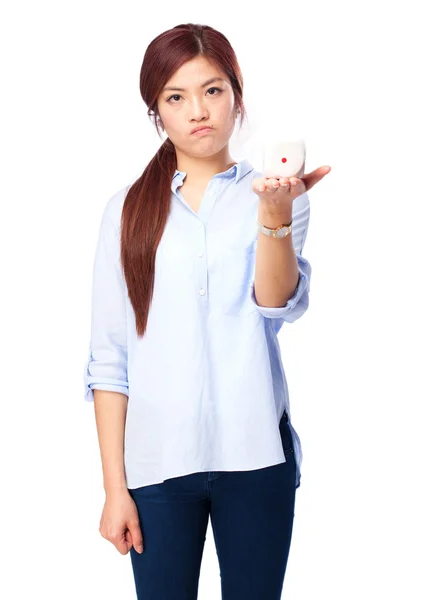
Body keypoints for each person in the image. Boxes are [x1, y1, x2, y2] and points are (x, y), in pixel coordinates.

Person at [83, 22, 331, 600]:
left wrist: (274, 214)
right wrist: (115, 488)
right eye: (176, 97)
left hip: (257, 459)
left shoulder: (275, 194)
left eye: (213, 90)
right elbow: (109, 360)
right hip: (158, 467)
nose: (198, 110)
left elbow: (276, 305)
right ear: (157, 112)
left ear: (236, 97)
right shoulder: (124, 213)